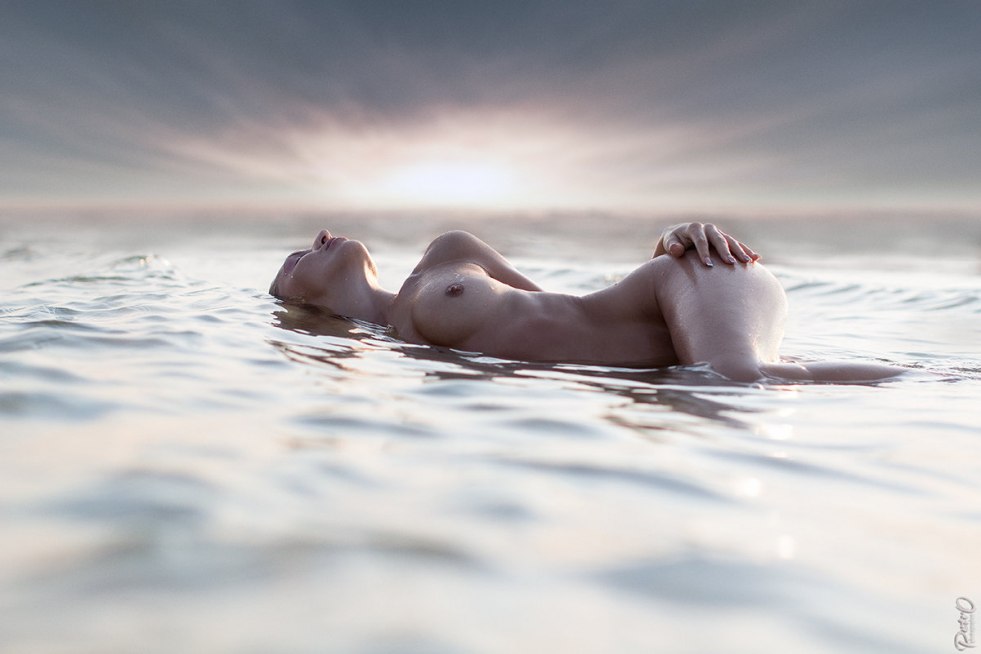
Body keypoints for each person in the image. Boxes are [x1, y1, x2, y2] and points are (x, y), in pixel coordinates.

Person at [269, 222, 903, 383]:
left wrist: (673, 240)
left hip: (691, 282)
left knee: (735, 380)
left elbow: (569, 305)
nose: (320, 236)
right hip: (682, 340)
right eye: (295, 257)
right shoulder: (393, 348)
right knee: (714, 380)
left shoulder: (447, 251)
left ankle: (947, 380)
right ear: (296, 306)